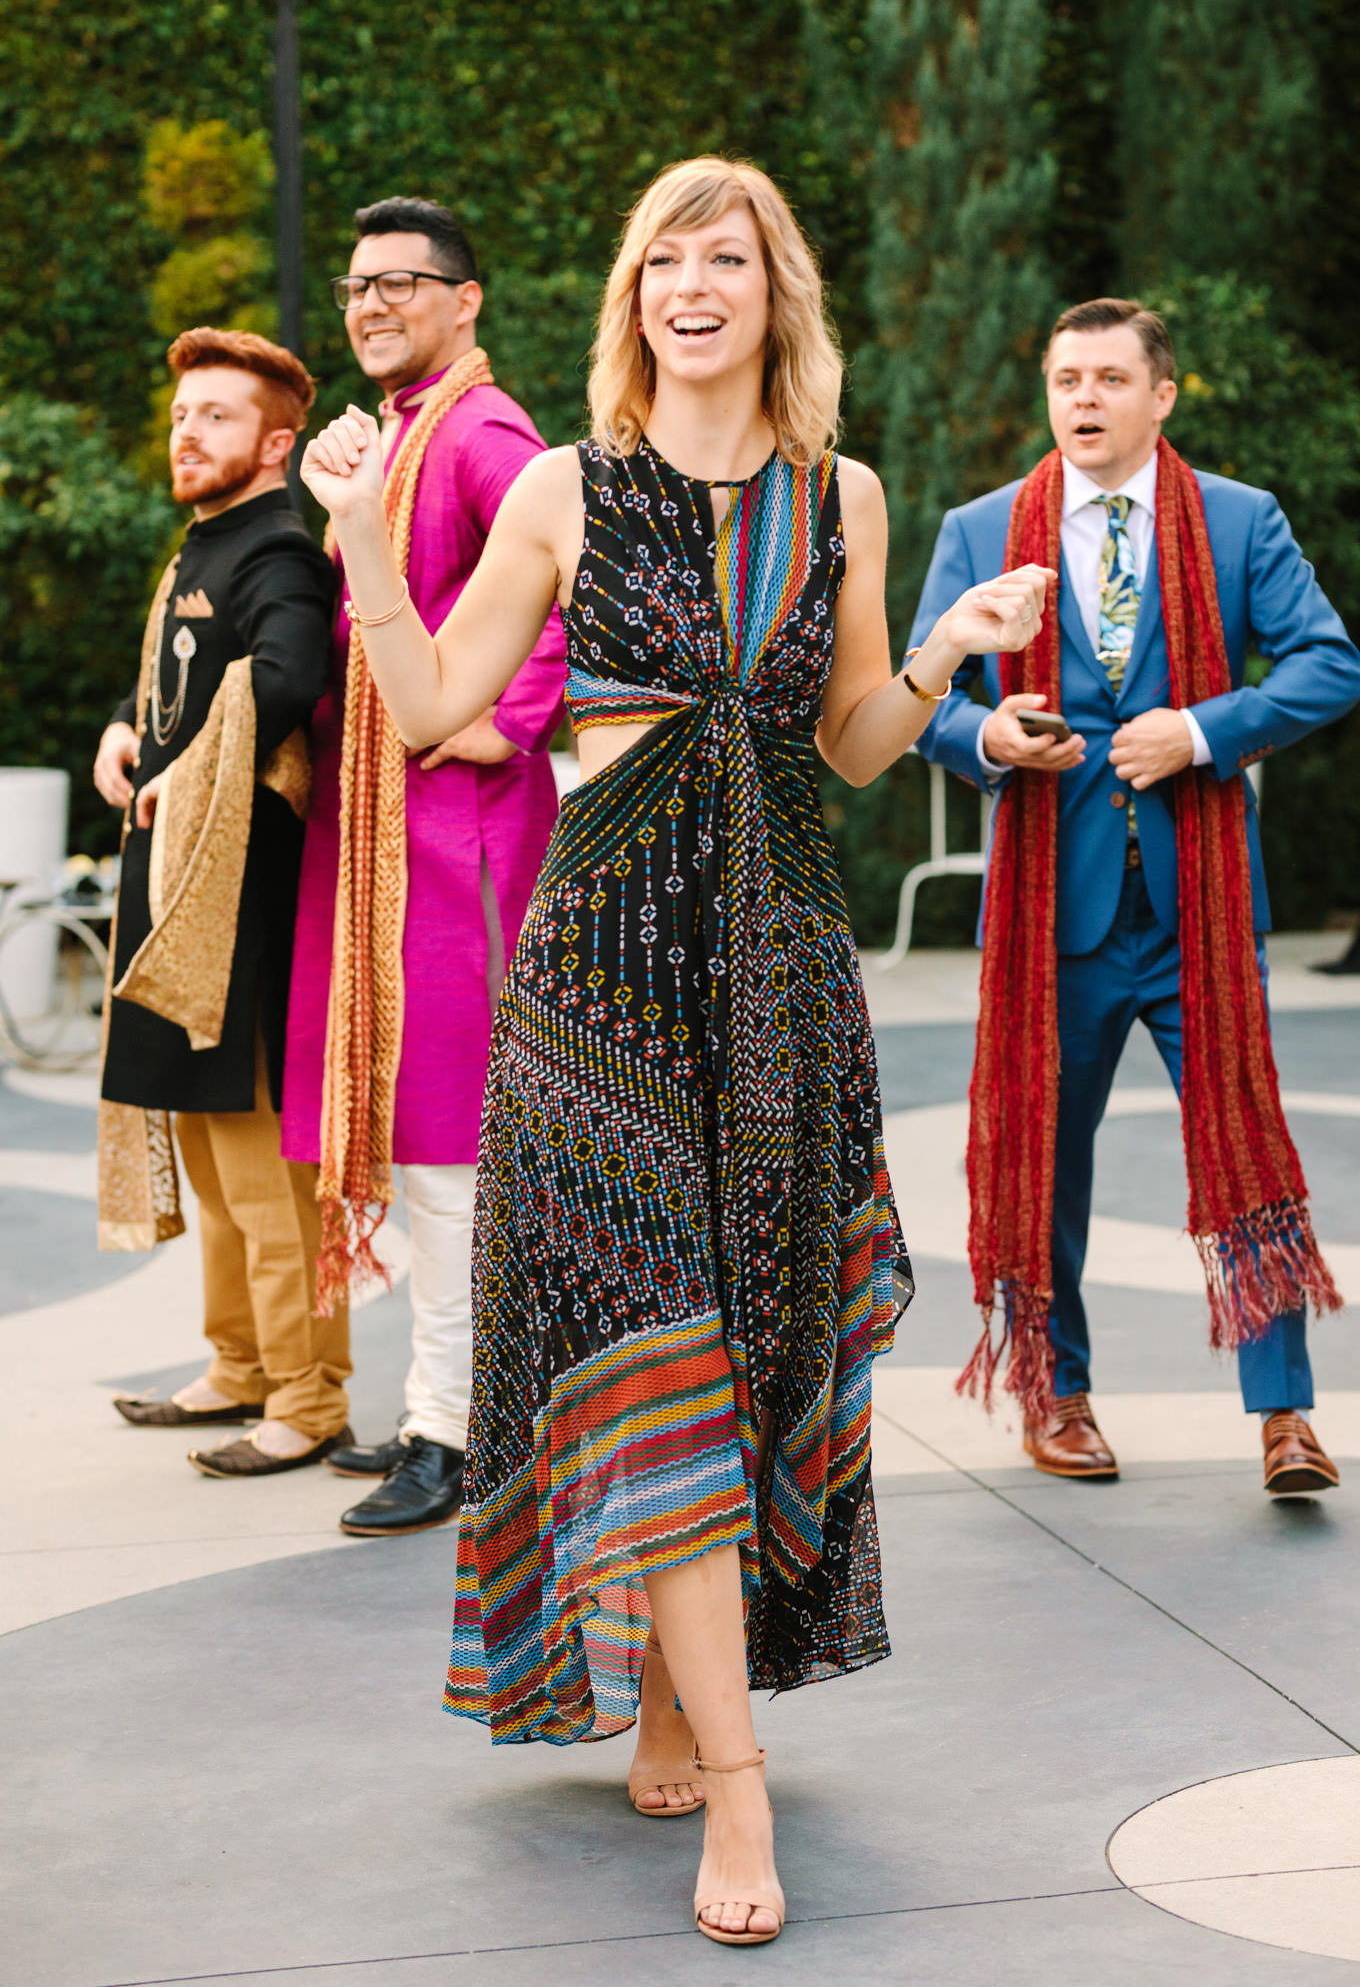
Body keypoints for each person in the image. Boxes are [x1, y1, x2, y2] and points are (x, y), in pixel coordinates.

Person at [301, 155, 1048, 1947]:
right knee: (662, 1355)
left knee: (753, 1346)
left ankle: (671, 1693)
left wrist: (946, 645)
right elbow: (429, 706)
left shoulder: (842, 495)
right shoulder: (566, 486)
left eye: (729, 258)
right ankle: (739, 1786)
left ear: (777, 292)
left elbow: (859, 743)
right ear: (631, 292)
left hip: (781, 970)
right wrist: (354, 541)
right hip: (606, 976)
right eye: (664, 259)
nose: (693, 284)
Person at [908, 297, 1360, 1494]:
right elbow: (926, 701)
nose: (1085, 400)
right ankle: (1056, 1396)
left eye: (1110, 378)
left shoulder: (1236, 519)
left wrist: (1204, 733)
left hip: (1200, 907)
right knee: (1044, 1156)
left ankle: (1284, 1416)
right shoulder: (979, 529)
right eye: (1067, 379)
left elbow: (1327, 663)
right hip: (1053, 909)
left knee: (1246, 1146)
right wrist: (992, 737)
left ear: (1161, 395)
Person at [281, 197, 567, 1538]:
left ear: (468, 302)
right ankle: (437, 1399)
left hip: (461, 837)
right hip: (387, 838)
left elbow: (567, 592)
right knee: (413, 1129)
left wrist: (498, 725)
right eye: (357, 287)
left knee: (453, 1144)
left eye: (405, 283)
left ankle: (455, 1429)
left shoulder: (485, 433)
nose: (375, 304)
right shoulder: (399, 436)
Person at [96, 326, 351, 1477]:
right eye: (179, 415)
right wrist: (123, 733)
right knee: (204, 1144)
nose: (186, 432)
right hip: (176, 885)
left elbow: (290, 679)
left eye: (215, 415)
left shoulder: (279, 552)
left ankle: (310, 1393)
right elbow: (173, 682)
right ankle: (238, 1364)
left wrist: (183, 767)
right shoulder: (202, 547)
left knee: (261, 1163)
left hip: (241, 900)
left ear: (276, 442)